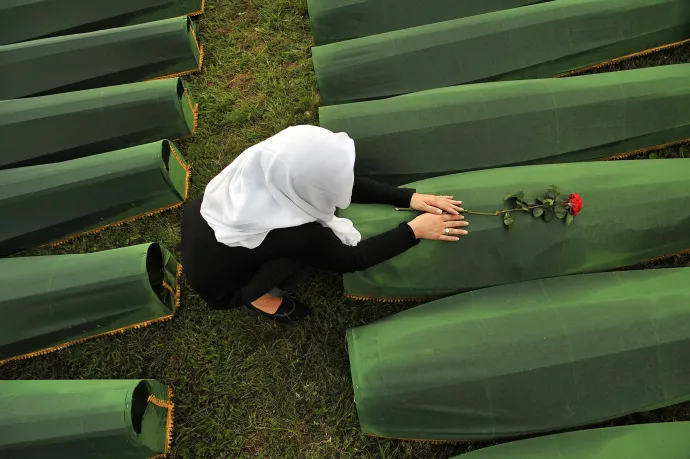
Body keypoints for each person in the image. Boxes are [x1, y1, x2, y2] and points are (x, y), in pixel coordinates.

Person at [181, 125, 468, 323]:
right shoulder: (298, 235)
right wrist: (414, 230)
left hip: (206, 236)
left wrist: (408, 197)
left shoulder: (258, 171)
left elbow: (336, 183)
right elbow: (351, 259)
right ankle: (256, 297)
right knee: (305, 259)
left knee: (288, 249)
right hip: (223, 287)